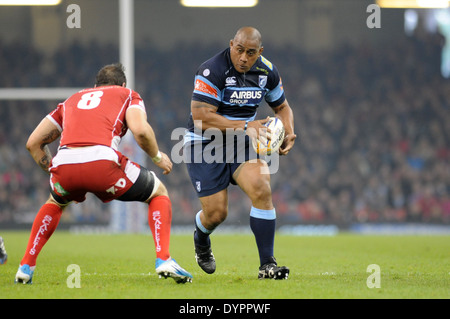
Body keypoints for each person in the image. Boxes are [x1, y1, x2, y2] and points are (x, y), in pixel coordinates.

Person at [15, 63, 192, 284]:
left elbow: (33, 143)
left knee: (55, 201)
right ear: (122, 84)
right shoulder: (128, 94)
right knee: (158, 192)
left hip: (64, 164)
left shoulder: (71, 101)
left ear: (95, 85)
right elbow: (141, 131)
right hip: (102, 161)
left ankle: (25, 266)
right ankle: (163, 259)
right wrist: (157, 156)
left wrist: (56, 175)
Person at [184, 27, 296, 279]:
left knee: (261, 185)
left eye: (251, 52)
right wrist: (247, 126)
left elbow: (283, 107)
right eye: (239, 50)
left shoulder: (267, 71)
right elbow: (201, 118)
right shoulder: (211, 70)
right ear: (231, 44)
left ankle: (267, 265)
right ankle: (201, 237)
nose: (244, 57)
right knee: (216, 213)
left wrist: (288, 131)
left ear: (260, 52)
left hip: (241, 141)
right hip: (205, 143)